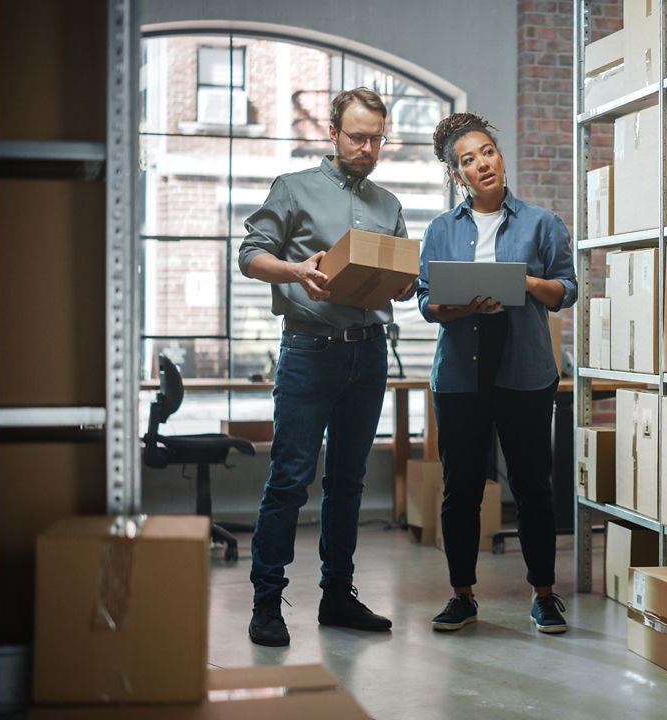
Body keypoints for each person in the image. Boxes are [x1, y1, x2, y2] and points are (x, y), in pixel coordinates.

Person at [238, 87, 413, 647]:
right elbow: (249, 256)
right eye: (357, 137)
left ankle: (338, 594)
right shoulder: (293, 189)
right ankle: (267, 602)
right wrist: (296, 271)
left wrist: (407, 285)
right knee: (290, 477)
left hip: (368, 352)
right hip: (309, 352)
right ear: (332, 134)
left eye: (376, 138)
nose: (367, 148)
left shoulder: (389, 205)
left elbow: (405, 278)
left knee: (348, 482)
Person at [417, 112, 577, 634]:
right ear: (455, 174)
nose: (481, 163)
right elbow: (425, 300)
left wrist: (526, 282)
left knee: (533, 485)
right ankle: (461, 595)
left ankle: (546, 594)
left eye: (487, 151)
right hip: (460, 374)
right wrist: (455, 308)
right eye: (467, 160)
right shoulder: (440, 230)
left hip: (525, 371)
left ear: (500, 157)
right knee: (460, 488)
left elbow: (565, 290)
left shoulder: (541, 223)